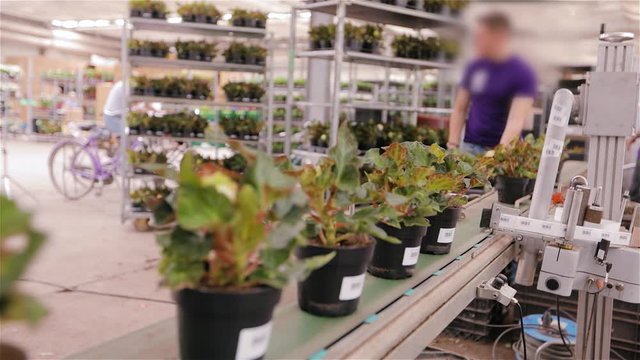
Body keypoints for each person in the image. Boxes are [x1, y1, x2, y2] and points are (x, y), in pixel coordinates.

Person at [447, 11, 537, 156]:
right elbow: (459, 108)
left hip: (505, 150)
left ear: (500, 36)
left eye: (482, 36)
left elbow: (516, 120)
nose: (477, 41)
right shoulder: (474, 67)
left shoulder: (522, 72)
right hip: (471, 146)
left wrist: (498, 155)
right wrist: (452, 145)